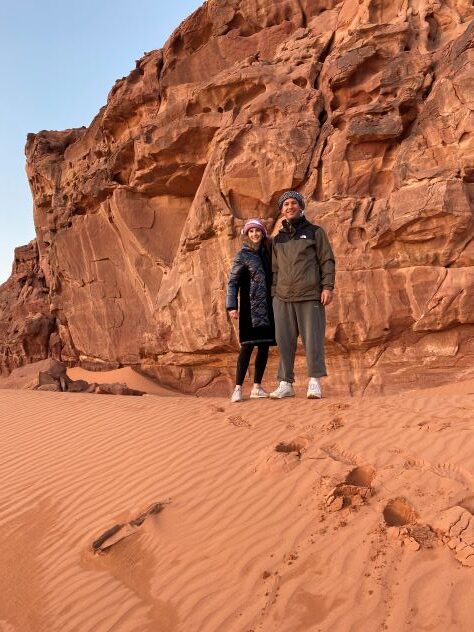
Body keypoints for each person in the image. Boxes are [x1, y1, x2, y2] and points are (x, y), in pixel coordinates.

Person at [269, 191, 335, 399]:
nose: (290, 207)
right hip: (282, 298)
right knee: (284, 341)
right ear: (281, 210)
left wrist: (327, 287)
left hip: (309, 295)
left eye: (293, 203)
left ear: (301, 207)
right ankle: (285, 383)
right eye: (286, 204)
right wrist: (274, 296)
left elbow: (327, 260)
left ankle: (314, 382)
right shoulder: (277, 239)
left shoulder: (315, 232)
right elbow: (274, 270)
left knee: (313, 340)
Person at [226, 219, 276, 402]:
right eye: (251, 231)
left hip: (268, 307)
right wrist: (232, 306)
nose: (255, 234)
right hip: (249, 308)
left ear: (262, 233)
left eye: (258, 231)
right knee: (247, 346)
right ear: (247, 235)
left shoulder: (267, 254)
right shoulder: (242, 255)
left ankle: (257, 386)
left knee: (263, 346)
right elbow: (232, 283)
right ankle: (238, 388)